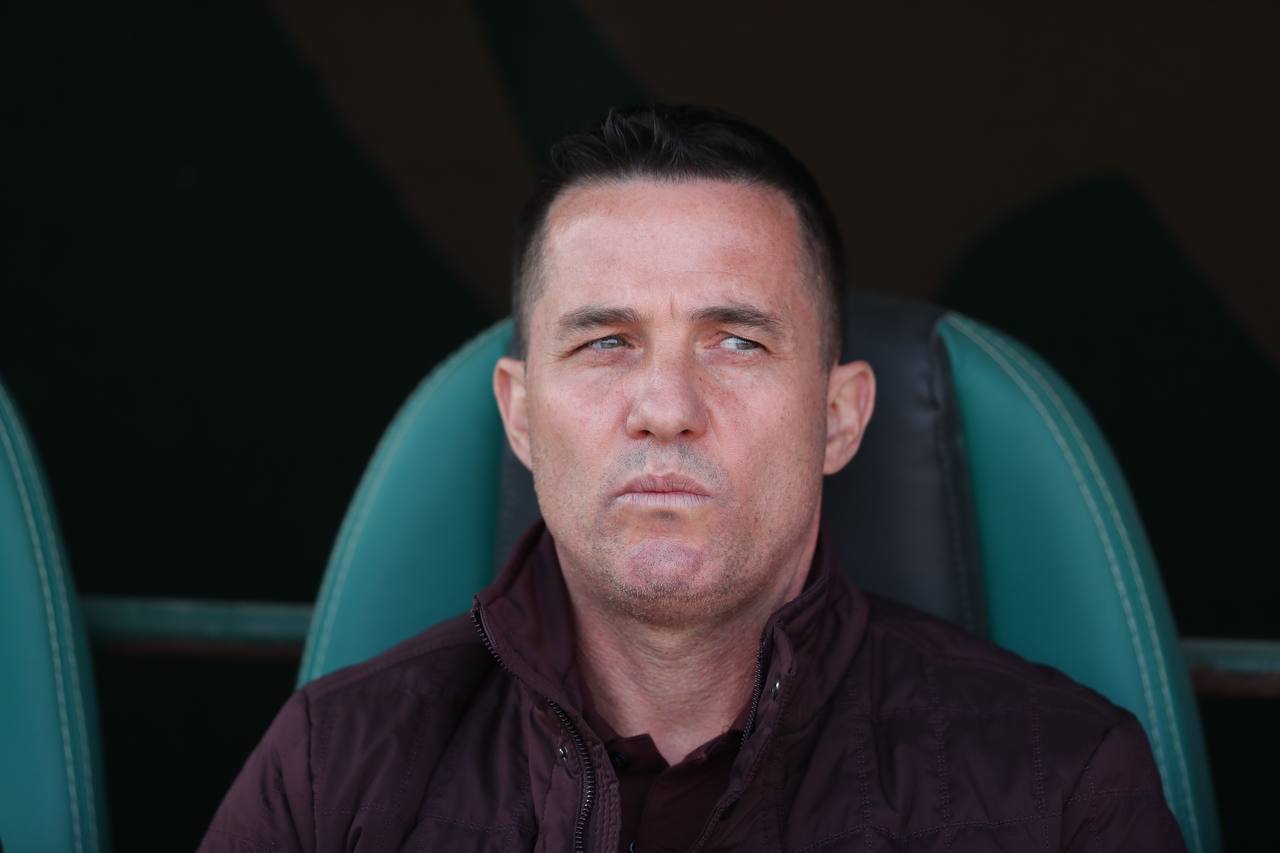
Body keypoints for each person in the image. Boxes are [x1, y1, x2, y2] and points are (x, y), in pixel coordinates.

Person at [200, 105, 1185, 852]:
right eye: (605, 341)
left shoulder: (1059, 785)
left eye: (735, 341)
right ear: (520, 414)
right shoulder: (329, 770)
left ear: (839, 417)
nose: (665, 405)